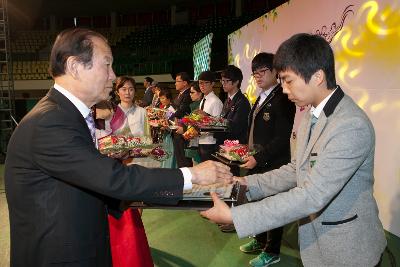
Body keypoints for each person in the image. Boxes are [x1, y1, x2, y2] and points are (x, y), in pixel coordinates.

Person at [4, 28, 232, 267]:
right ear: (74, 66)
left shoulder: (64, 114)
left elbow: (88, 182)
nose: (113, 76)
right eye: (107, 64)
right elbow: (114, 180)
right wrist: (193, 175)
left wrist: (195, 195)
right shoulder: (50, 121)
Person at [201, 33, 387, 267]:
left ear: (317, 76)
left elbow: (312, 195)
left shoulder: (350, 125)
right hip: (317, 245)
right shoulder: (311, 114)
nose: (285, 90)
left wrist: (237, 216)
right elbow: (294, 170)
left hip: (349, 250)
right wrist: (242, 186)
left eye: (288, 80)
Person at [237, 53, 296, 266]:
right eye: (255, 73)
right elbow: (253, 130)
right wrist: (245, 149)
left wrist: (259, 158)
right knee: (258, 203)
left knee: (274, 207)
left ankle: (272, 251)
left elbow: (282, 137)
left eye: (263, 71)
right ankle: (260, 240)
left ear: (275, 72)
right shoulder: (261, 96)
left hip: (274, 163)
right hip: (256, 160)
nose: (258, 77)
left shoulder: (283, 98)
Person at [197, 70, 223, 162]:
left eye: (205, 83)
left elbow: (219, 124)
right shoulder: (203, 99)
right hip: (201, 140)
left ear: (212, 83)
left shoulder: (216, 101)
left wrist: (205, 116)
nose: (202, 85)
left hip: (210, 142)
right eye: (200, 83)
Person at [170, 72, 193, 167]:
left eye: (177, 81)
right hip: (175, 128)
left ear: (185, 83)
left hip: (182, 129)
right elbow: (172, 108)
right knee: (179, 158)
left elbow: (181, 111)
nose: (175, 83)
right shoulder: (180, 94)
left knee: (184, 159)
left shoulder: (188, 95)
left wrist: (171, 115)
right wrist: (166, 116)